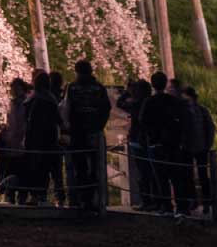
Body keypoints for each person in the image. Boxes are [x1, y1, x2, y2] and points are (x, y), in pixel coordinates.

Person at [63, 60, 110, 212]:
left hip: (77, 133)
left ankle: (84, 198)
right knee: (95, 166)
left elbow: (67, 108)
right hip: (93, 132)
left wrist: (68, 127)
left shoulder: (72, 88)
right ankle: (95, 198)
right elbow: (106, 109)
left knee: (80, 166)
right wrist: (99, 126)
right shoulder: (99, 88)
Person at [139, 71, 188, 214]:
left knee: (161, 178)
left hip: (156, 144)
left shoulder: (149, 102)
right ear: (165, 83)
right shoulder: (174, 101)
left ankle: (166, 207)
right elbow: (183, 121)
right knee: (176, 177)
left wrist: (151, 135)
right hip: (173, 144)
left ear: (153, 85)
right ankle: (182, 207)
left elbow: (143, 121)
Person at [24, 66, 64, 206]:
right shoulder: (51, 99)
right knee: (48, 169)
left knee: (37, 167)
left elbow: (29, 120)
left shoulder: (34, 99)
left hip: (36, 138)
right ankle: (48, 197)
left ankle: (37, 196)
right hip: (50, 138)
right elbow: (58, 120)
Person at [117, 78, 152, 207]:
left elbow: (119, 103)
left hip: (137, 139)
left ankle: (146, 201)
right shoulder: (150, 102)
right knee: (151, 172)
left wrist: (127, 91)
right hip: (150, 141)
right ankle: (155, 201)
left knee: (142, 172)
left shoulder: (135, 104)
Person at [183, 86, 216, 213]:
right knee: (189, 176)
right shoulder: (187, 111)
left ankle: (206, 202)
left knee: (203, 176)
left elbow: (210, 128)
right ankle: (194, 200)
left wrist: (208, 144)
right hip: (189, 147)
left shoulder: (202, 110)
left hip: (201, 147)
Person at [0, 77, 29, 202]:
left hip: (19, 143)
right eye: (12, 88)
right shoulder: (15, 103)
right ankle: (14, 197)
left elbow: (18, 123)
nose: (13, 90)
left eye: (16, 88)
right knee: (16, 171)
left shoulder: (23, 103)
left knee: (17, 171)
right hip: (14, 143)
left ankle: (14, 196)